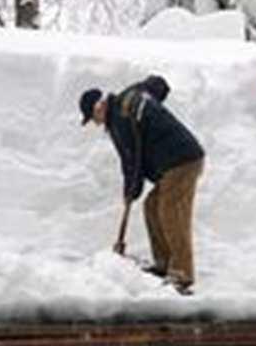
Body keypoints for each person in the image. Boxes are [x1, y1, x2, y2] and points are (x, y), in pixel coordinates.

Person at [79, 75, 205, 294]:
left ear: (99, 106)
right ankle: (164, 263)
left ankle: (182, 274)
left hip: (182, 159)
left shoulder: (119, 120)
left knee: (171, 211)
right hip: (174, 163)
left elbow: (132, 162)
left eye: (93, 116)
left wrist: (131, 191)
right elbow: (158, 85)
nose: (96, 122)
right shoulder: (129, 98)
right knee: (152, 206)